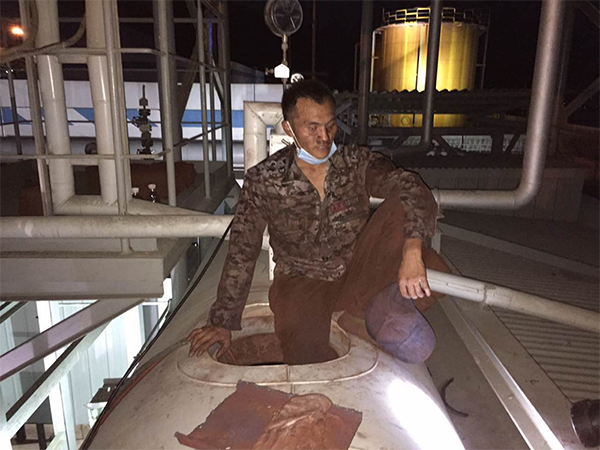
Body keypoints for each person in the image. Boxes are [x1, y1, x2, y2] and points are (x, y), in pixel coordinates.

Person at [187, 80, 449, 365]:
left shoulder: (355, 161)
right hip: (303, 282)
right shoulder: (264, 179)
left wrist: (412, 251)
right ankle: (363, 313)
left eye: (330, 125)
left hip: (357, 268)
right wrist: (222, 320)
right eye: (312, 127)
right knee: (306, 355)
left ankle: (361, 313)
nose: (324, 136)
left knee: (410, 218)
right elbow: (243, 249)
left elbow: (410, 186)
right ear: (289, 128)